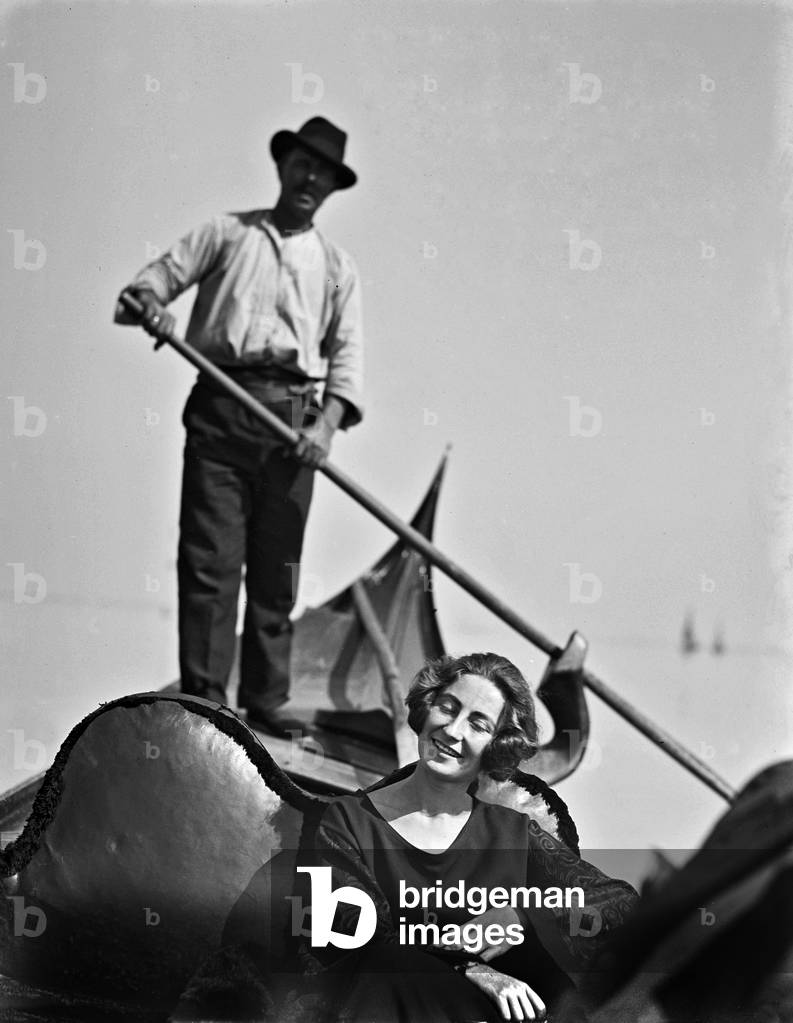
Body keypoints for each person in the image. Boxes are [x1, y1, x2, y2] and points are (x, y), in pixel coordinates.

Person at [114, 116, 364, 738]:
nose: (310, 180)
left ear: (333, 189)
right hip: (222, 396)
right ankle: (204, 699)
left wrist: (324, 427)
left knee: (277, 568)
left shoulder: (336, 267)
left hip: (295, 408)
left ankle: (266, 701)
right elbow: (143, 291)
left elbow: (346, 363)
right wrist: (154, 310)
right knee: (209, 561)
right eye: (303, 165)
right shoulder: (226, 235)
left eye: (324, 175)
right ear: (282, 167)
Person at [291, 653, 639, 1023]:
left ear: (498, 745)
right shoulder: (347, 822)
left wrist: (521, 915)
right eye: (448, 707)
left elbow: (620, 904)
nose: (453, 731)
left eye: (477, 724)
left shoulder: (513, 834)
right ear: (427, 708)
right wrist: (469, 967)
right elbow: (353, 936)